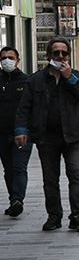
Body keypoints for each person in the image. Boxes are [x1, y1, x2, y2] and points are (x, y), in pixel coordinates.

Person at [15, 37, 79, 231]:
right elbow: (24, 107)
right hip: (46, 137)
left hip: (73, 136)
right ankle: (54, 216)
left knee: (76, 175)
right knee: (50, 179)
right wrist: (21, 130)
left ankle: (76, 215)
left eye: (63, 53)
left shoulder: (77, 76)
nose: (59, 56)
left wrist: (69, 78)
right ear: (48, 55)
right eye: (55, 53)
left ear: (68, 55)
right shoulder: (35, 80)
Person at [1, 46, 31, 218]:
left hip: (23, 133)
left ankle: (17, 200)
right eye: (4, 58)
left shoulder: (26, 81)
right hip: (2, 134)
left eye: (10, 57)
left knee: (19, 167)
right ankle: (13, 199)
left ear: (18, 60)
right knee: (8, 169)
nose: (7, 61)